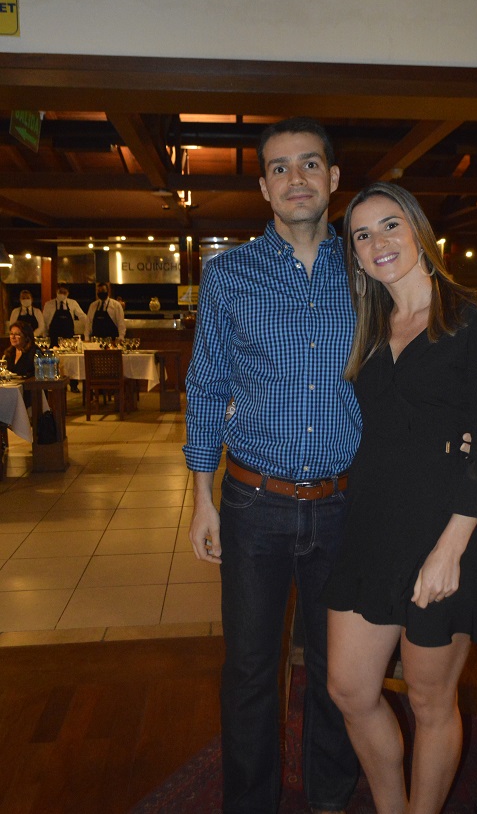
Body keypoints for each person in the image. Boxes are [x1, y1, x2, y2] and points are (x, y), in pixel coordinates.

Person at [323, 182, 477, 814]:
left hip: (442, 533)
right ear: (355, 256)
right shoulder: (367, 328)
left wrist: (450, 549)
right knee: (349, 689)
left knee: (430, 701)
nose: (377, 242)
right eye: (362, 235)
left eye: (390, 225)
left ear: (417, 229)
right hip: (370, 527)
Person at [184, 117, 361, 814]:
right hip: (253, 504)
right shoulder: (228, 275)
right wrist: (202, 500)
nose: (296, 179)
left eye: (309, 163)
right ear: (263, 187)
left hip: (345, 506)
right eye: (279, 168)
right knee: (252, 672)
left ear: (333, 178)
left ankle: (330, 798)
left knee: (339, 672)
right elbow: (206, 387)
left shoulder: (367, 272)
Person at [42, 284, 88, 392]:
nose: (62, 294)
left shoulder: (73, 303)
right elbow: (45, 321)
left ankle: (73, 385)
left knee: (71, 362)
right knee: (55, 361)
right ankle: (55, 385)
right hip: (54, 337)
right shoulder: (49, 304)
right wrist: (44, 336)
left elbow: (82, 316)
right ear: (56, 291)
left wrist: (89, 327)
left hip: (69, 338)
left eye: (64, 292)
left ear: (68, 293)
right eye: (60, 291)